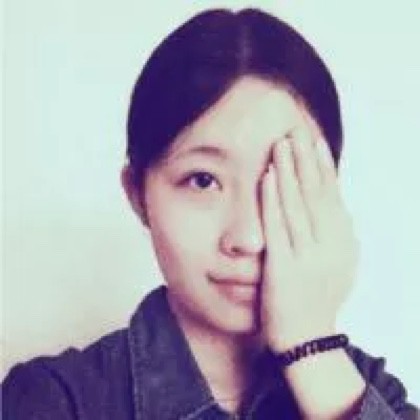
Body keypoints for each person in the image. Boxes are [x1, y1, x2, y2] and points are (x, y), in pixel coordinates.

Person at [2, 7, 419, 420]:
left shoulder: (362, 388)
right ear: (138, 195)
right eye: (202, 181)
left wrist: (313, 348)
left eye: (281, 180)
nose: (249, 237)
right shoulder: (54, 401)